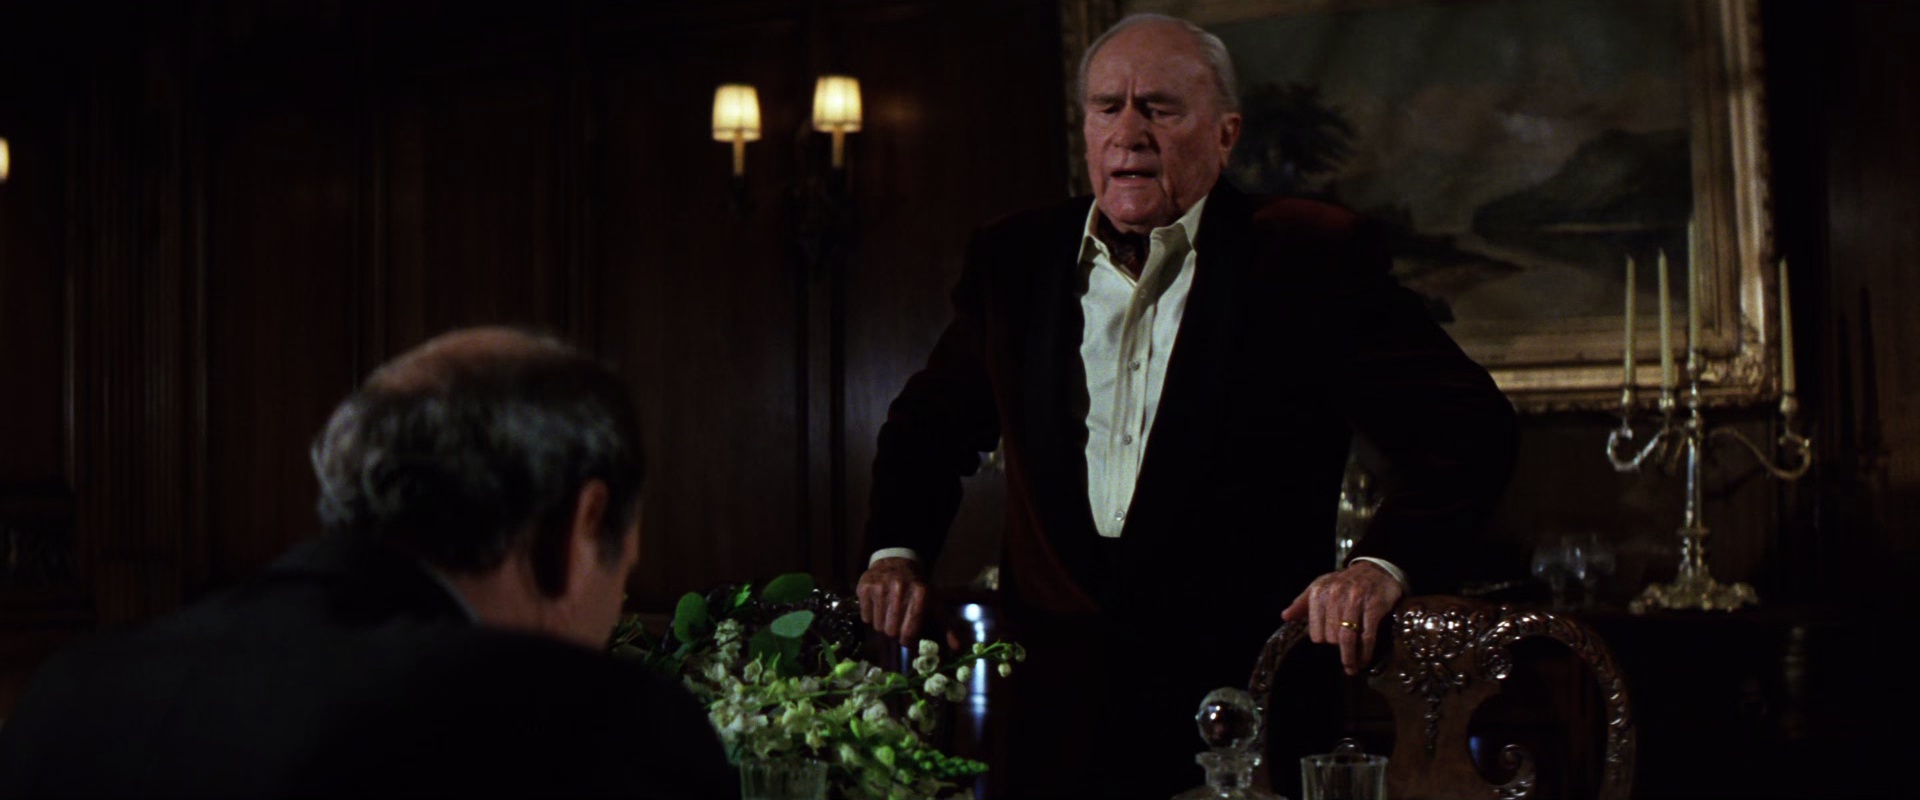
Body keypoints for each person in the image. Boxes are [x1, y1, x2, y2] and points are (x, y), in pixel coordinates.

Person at [855, 13, 1517, 799]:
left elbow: (1469, 429)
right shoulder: (1015, 261)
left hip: (1241, 708)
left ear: (1226, 133)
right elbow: (927, 429)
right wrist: (895, 552)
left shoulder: (1307, 258)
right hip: (1052, 718)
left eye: (1160, 108)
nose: (1129, 132)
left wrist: (1380, 567)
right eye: (1108, 106)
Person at [0, 327, 737, 799]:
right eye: (624, 567)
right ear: (583, 525)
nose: (618, 600)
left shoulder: (72, 692)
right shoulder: (597, 728)